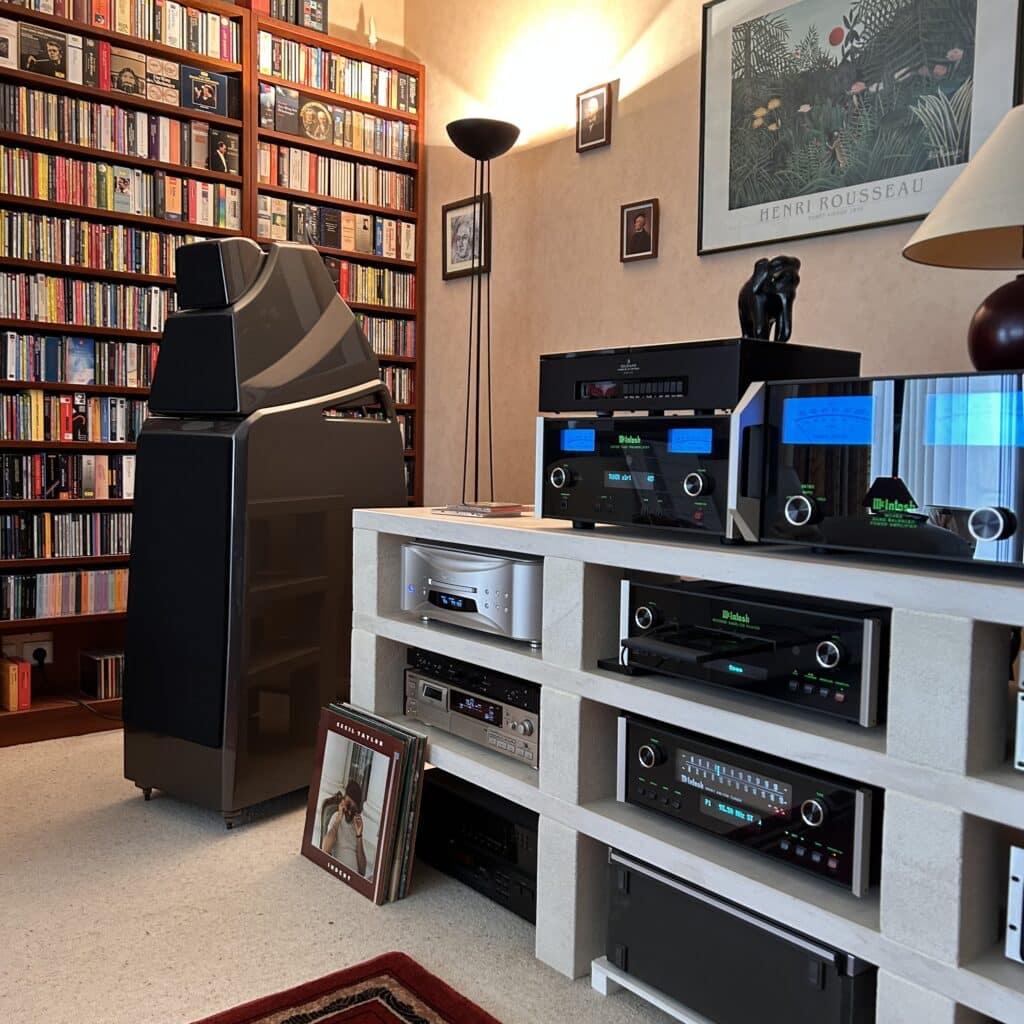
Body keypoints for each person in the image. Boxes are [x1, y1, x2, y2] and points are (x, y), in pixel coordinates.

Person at [321, 780, 368, 877]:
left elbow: (363, 870)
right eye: (348, 805)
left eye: (354, 809)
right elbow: (325, 849)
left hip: (355, 876)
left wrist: (359, 835)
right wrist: (339, 818)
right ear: (343, 800)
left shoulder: (356, 825)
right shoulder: (336, 817)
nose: (350, 812)